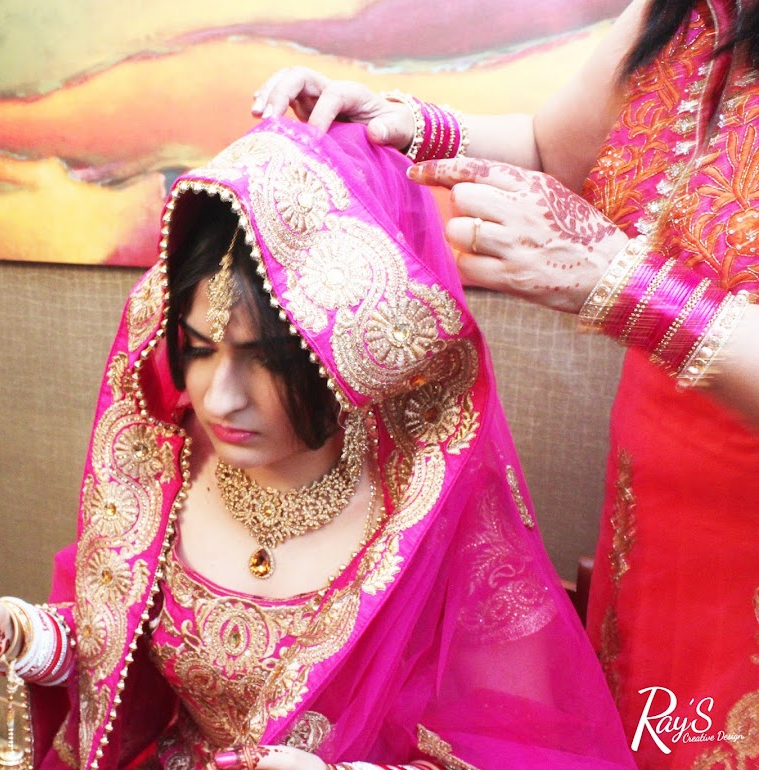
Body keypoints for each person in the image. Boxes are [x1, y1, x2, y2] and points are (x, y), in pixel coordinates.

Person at [0, 118, 636, 770]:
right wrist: (19, 633)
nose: (218, 399)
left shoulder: (433, 510)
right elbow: (119, 649)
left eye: (266, 361)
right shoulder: (167, 459)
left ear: (346, 354)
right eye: (198, 349)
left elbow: (517, 746)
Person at [251, 1, 759, 768]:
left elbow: (623, 276)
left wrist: (621, 286)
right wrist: (402, 122)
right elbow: (551, 149)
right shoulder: (688, 13)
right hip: (654, 517)